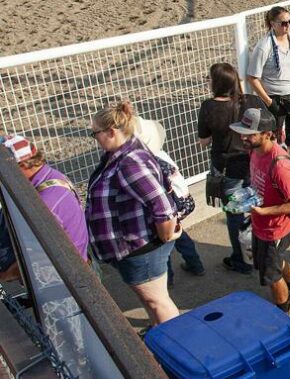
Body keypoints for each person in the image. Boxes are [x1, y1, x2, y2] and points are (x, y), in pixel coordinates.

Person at [86, 101, 180, 326]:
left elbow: (163, 207)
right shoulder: (121, 152)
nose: (94, 138)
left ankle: (176, 343)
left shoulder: (129, 162)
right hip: (135, 245)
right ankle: (161, 332)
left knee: (157, 301)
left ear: (111, 131)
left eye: (95, 133)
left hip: (140, 248)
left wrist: (165, 235)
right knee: (153, 301)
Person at [229, 107, 290, 313]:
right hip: (261, 225)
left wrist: (265, 212)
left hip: (274, 229)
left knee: (272, 277)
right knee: (276, 262)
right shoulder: (254, 150)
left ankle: (284, 314)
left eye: (249, 134)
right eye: (242, 132)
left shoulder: (280, 166)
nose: (243, 137)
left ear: (267, 134)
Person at [197, 62, 265, 274]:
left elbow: (204, 141)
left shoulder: (209, 107)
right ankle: (261, 252)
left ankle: (241, 260)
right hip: (253, 163)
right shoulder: (249, 101)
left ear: (216, 83)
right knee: (256, 208)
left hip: (227, 168)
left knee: (235, 215)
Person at [0, 136, 88, 283]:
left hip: (65, 280)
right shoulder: (52, 176)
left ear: (21, 166)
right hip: (77, 263)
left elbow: (39, 259)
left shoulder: (45, 205)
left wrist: (5, 276)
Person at [131, 116, 204, 286]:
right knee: (180, 236)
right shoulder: (162, 155)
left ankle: (167, 278)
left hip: (167, 208)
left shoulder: (147, 164)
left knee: (164, 243)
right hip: (181, 201)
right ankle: (196, 265)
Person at [246, 6, 290, 162]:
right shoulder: (264, 46)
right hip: (276, 99)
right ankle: (272, 168)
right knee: (272, 138)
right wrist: (269, 102)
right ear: (272, 23)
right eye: (283, 23)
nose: (287, 26)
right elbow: (252, 77)